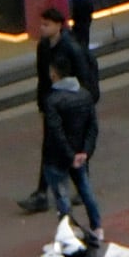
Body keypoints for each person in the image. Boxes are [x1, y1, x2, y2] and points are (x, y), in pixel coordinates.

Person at [33, 69, 99, 229]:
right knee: (85, 190)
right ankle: (97, 227)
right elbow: (92, 127)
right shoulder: (85, 95)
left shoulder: (52, 100)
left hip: (57, 157)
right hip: (79, 152)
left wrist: (69, 155)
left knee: (62, 196)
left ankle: (68, 231)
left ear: (55, 74)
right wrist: (85, 152)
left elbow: (56, 132)